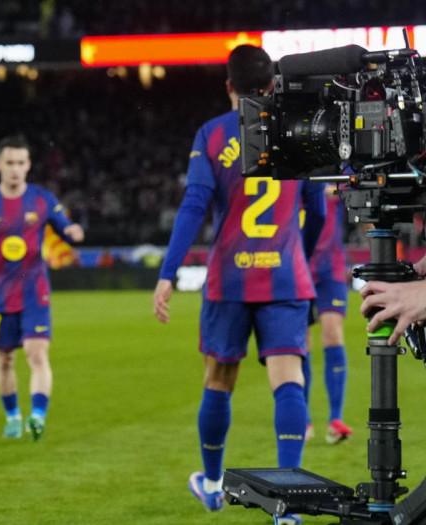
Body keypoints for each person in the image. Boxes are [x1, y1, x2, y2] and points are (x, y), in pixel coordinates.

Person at [151, 44, 325, 522]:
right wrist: (300, 258)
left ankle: (210, 484)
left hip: (229, 279)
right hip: (285, 276)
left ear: (228, 86)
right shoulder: (299, 131)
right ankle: (286, 505)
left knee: (219, 380)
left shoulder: (211, 135)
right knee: (288, 380)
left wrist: (167, 274)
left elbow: (193, 207)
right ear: (271, 87)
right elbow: (322, 210)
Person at [0, 136, 85, 440]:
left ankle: (37, 415)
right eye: (9, 163)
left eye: (21, 163)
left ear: (28, 166)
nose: (15, 169)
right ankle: (13, 416)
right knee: (5, 358)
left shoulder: (42, 199)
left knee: (37, 354)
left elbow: (65, 226)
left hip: (34, 289)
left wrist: (73, 231)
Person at [302, 185, 353, 444]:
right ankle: (304, 419)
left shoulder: (333, 183)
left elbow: (355, 180)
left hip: (330, 271)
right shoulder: (292, 184)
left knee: (333, 335)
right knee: (303, 343)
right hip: (299, 270)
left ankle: (335, 419)